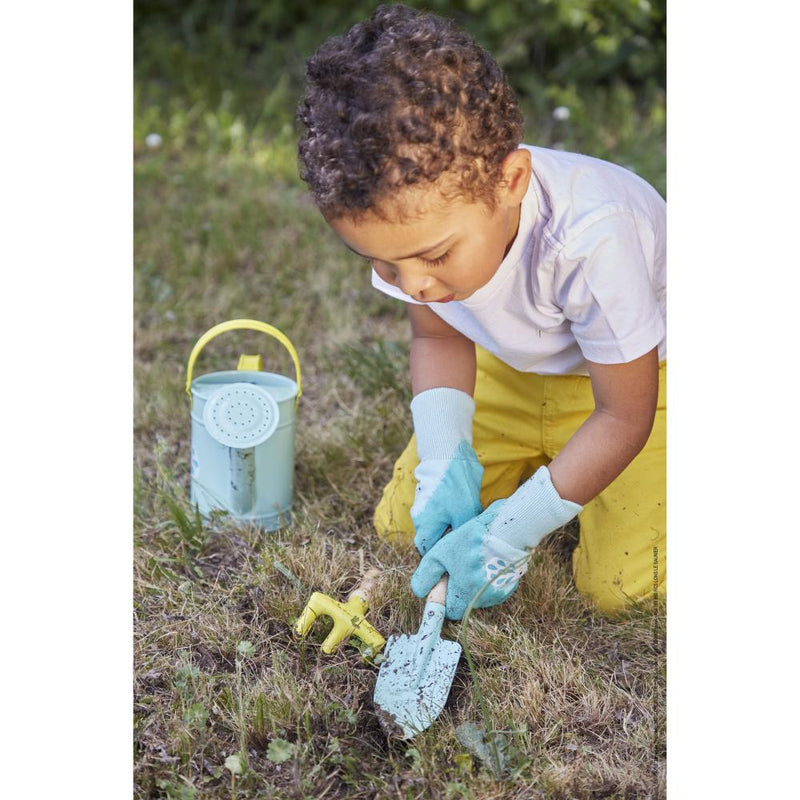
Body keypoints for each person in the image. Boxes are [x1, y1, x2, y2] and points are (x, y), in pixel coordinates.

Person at [297, 3, 666, 619]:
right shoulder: (414, 232)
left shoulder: (591, 238)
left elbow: (623, 417)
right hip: (513, 371)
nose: (412, 284)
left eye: (434, 256)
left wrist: (510, 530)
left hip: (637, 387)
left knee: (622, 591)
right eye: (386, 266)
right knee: (404, 526)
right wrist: (444, 456)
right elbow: (438, 339)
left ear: (511, 180)